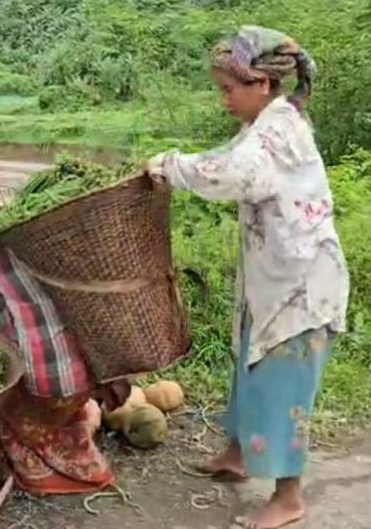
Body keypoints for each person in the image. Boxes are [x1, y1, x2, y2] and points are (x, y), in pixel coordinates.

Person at [145, 26, 349, 529]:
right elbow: (231, 161)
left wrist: (170, 165)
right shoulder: (266, 122)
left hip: (300, 289)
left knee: (282, 388)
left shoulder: (277, 130)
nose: (224, 99)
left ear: (261, 82)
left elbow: (229, 174)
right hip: (273, 279)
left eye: (228, 88)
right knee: (249, 367)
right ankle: (237, 455)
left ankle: (288, 498)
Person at [0, 175, 130, 495]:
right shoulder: (53, 243)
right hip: (83, 373)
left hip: (41, 382)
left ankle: (35, 467)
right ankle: (84, 459)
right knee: (66, 405)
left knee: (1, 406)